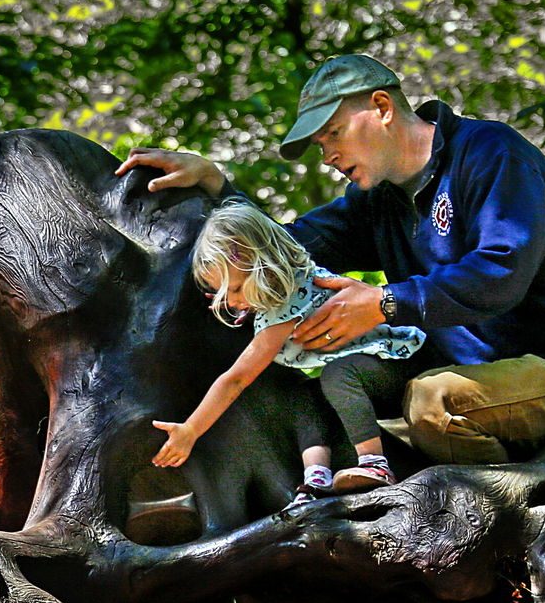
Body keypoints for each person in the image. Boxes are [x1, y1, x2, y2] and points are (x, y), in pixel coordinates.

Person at [118, 54, 545, 466]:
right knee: (320, 404)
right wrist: (216, 184)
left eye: (333, 134)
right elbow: (284, 256)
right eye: (319, 144)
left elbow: (501, 273)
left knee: (434, 405)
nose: (327, 155)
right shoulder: (378, 201)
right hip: (471, 380)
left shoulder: (493, 154)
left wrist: (384, 304)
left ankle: (508, 552)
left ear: (383, 107)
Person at [150, 197, 426, 512]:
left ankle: (375, 464)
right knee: (304, 395)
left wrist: (191, 430)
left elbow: (236, 380)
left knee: (338, 376)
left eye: (237, 289)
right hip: (369, 369)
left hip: (401, 360)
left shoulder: (287, 302)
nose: (234, 302)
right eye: (223, 295)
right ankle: (316, 479)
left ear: (261, 266)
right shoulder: (282, 290)